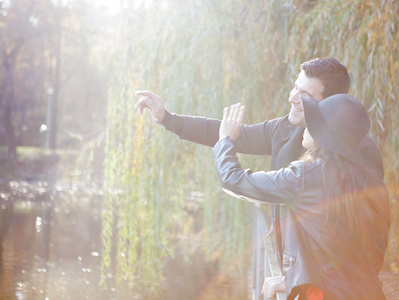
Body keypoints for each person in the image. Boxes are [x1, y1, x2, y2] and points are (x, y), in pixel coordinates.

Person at [134, 58, 385, 298]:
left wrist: (296, 276)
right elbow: (231, 133)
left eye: (305, 96)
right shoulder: (283, 129)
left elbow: (362, 232)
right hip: (312, 279)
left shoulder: (358, 152)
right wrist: (167, 118)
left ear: (331, 105)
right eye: (294, 88)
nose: (293, 98)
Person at [213, 96, 390, 299]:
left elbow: (233, 180)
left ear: (325, 135)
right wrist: (292, 278)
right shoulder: (374, 183)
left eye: (313, 121)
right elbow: (372, 257)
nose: (306, 124)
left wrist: (224, 140)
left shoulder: (307, 176)